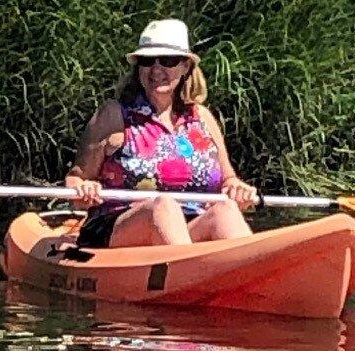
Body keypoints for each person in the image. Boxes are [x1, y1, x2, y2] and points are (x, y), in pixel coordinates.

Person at [63, 18, 259, 247]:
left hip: (186, 229)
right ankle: (186, 275)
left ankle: (248, 275)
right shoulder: (113, 115)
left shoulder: (202, 118)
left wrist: (236, 188)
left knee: (225, 210)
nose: (156, 69)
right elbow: (76, 178)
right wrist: (84, 188)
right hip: (120, 225)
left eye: (168, 60)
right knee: (163, 206)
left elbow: (228, 179)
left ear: (185, 67)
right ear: (139, 69)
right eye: (147, 61)